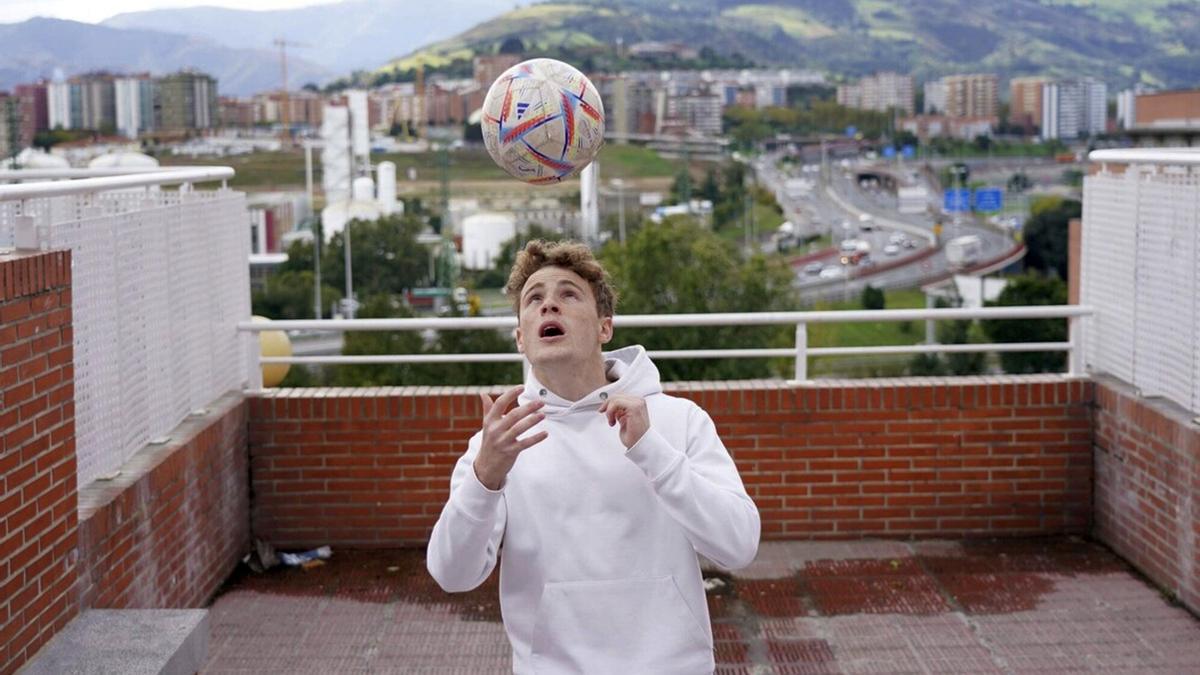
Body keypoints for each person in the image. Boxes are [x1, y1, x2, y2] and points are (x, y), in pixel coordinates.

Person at [427, 240, 760, 674]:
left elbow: (739, 545)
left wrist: (652, 451)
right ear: (521, 338)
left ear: (605, 328)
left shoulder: (678, 420)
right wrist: (484, 478)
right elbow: (452, 575)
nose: (549, 305)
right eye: (534, 299)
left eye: (568, 294)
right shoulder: (499, 445)